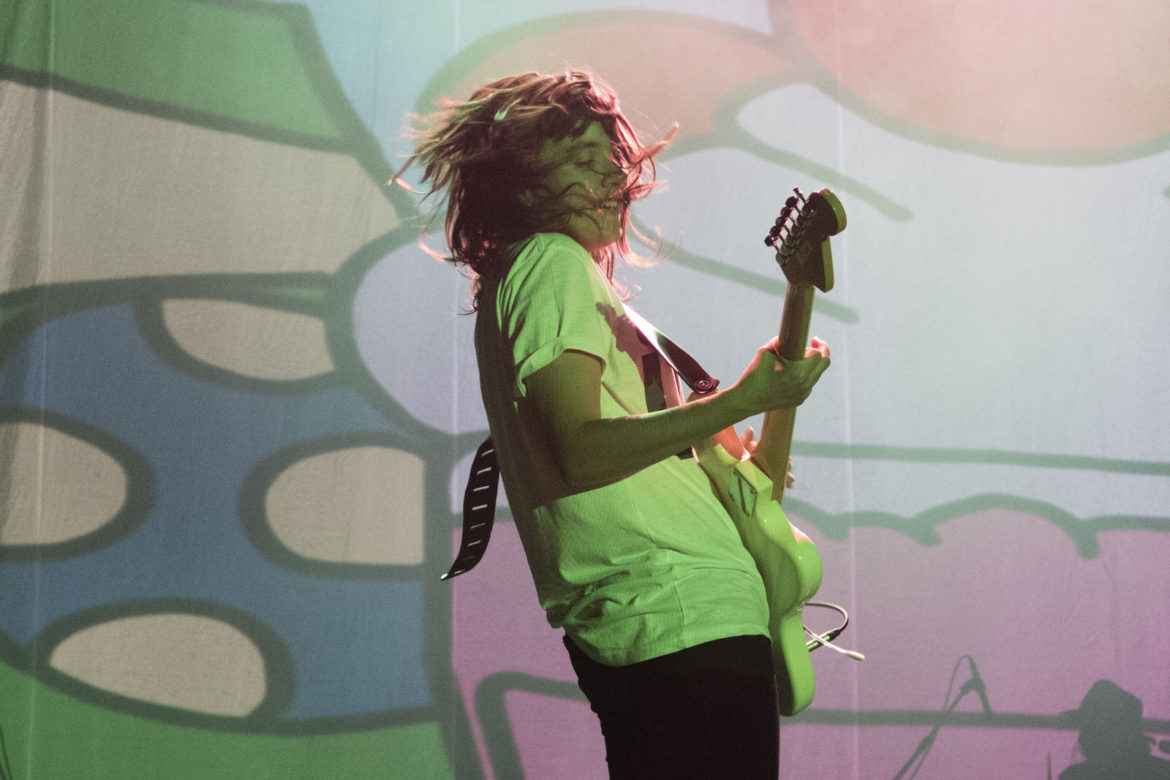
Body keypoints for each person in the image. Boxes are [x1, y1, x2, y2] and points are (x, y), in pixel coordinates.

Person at [403, 69, 830, 777]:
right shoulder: (551, 262)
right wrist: (739, 400)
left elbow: (688, 464)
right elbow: (580, 449)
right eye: (579, 163)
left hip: (676, 617)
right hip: (678, 615)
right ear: (522, 183)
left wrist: (742, 431)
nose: (610, 180)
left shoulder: (549, 280)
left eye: (612, 163)